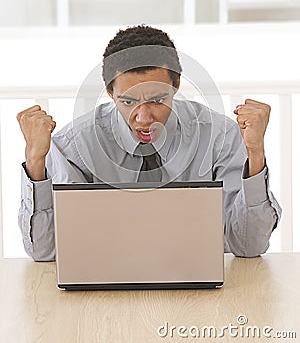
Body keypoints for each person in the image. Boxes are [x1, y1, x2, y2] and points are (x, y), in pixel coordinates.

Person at [17, 25, 281, 261]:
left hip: (197, 288)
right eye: (128, 101)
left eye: (157, 100)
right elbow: (45, 250)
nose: (144, 119)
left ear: (176, 84)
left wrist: (255, 154)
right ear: (110, 92)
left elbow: (248, 245)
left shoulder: (219, 137)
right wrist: (36, 163)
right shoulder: (74, 146)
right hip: (104, 291)